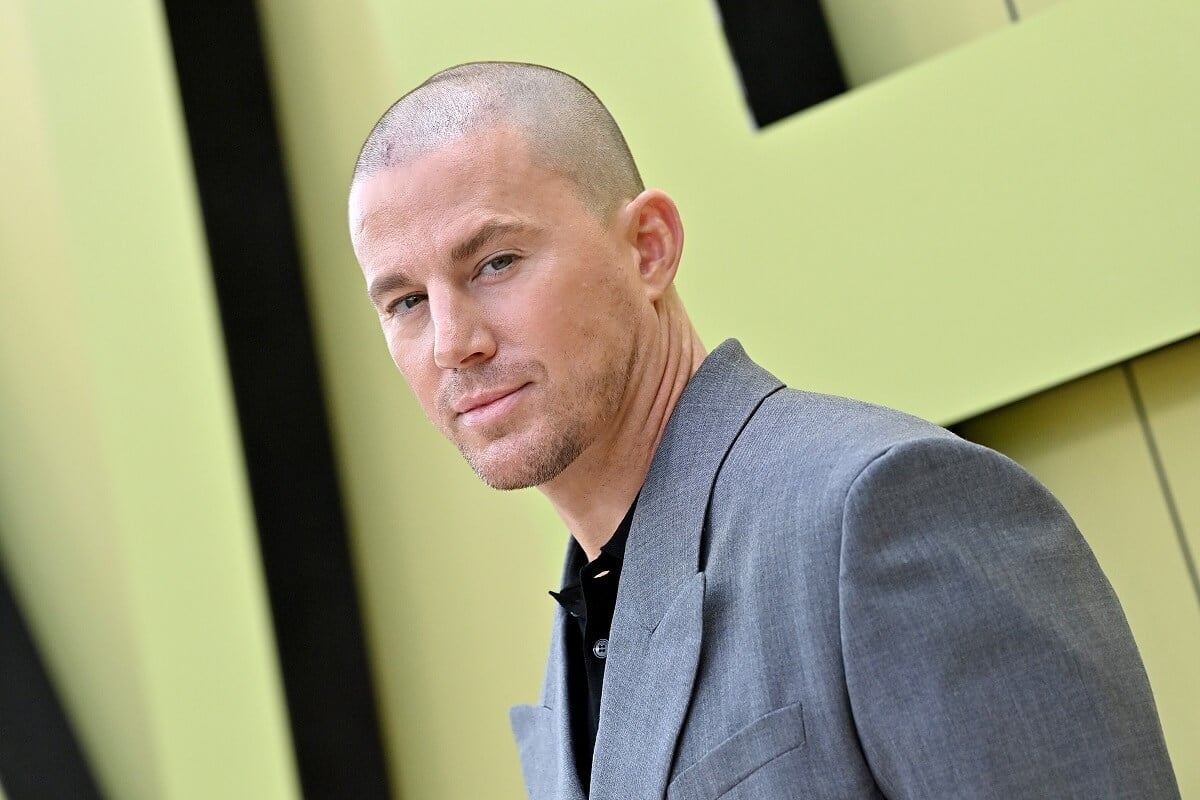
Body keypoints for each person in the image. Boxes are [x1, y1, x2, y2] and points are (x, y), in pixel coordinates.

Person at [347, 62, 1179, 800]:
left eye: (496, 263)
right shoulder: (577, 648)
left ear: (648, 248)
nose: (456, 341)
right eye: (406, 302)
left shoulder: (881, 510)